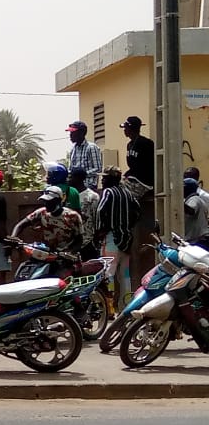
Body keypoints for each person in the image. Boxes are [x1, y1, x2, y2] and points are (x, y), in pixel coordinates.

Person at [96, 166, 139, 310]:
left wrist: (100, 231)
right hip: (126, 240)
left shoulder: (108, 192)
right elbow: (137, 211)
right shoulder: (128, 193)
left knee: (108, 274)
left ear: (111, 179)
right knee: (125, 275)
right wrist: (128, 225)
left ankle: (109, 308)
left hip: (111, 239)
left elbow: (101, 211)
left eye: (105, 177)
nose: (102, 180)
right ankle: (126, 306)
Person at [12, 185, 83, 253]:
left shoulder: (73, 216)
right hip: (46, 252)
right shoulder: (41, 212)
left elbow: (79, 240)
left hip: (65, 254)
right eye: (45, 201)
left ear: (58, 201)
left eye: (49, 201)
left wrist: (70, 252)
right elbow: (20, 225)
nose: (46, 204)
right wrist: (13, 238)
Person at [69, 167, 101, 260]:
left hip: (87, 241)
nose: (69, 179)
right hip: (71, 242)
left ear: (79, 178)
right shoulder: (67, 195)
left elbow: (96, 219)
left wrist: (96, 240)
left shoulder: (92, 196)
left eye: (71, 177)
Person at [121, 116, 154, 188]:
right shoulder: (129, 145)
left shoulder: (146, 143)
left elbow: (149, 165)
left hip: (144, 182)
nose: (124, 130)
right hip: (133, 178)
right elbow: (132, 167)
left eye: (126, 128)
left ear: (131, 129)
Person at [184, 177, 209, 246]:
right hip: (201, 238)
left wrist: (179, 203)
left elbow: (191, 210)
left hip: (198, 239)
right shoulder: (198, 199)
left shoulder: (193, 199)